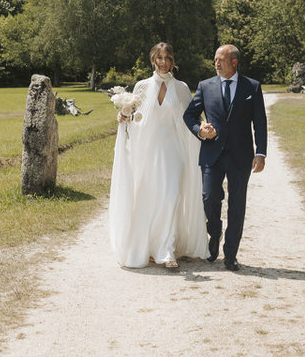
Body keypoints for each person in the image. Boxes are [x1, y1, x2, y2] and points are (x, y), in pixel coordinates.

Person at [108, 42, 208, 268]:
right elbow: (136, 118)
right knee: (150, 199)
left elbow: (191, 118)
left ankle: (167, 252)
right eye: (160, 58)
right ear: (153, 60)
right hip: (149, 152)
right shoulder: (142, 87)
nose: (164, 62)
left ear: (173, 61)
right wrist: (123, 118)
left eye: (168, 58)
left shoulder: (181, 88)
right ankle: (151, 247)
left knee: (171, 196)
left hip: (174, 152)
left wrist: (204, 128)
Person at [183, 44, 267, 271]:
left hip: (241, 156)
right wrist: (200, 129)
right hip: (212, 153)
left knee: (237, 205)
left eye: (221, 60)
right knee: (209, 198)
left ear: (234, 62)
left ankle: (231, 255)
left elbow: (260, 122)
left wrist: (260, 152)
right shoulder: (205, 86)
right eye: (215, 59)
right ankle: (214, 234)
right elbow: (189, 114)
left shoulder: (252, 87)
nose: (217, 63)